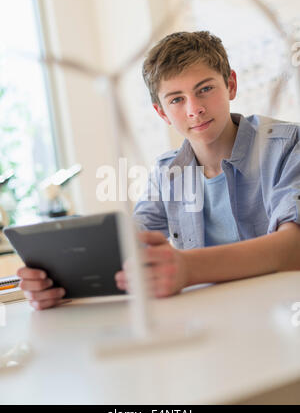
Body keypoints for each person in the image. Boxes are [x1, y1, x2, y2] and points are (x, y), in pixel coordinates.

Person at [17, 31, 300, 309]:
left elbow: (294, 247)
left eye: (205, 89)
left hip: (283, 313)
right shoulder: (168, 173)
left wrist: (188, 269)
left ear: (231, 84)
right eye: (176, 99)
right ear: (161, 112)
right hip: (212, 318)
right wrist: (63, 281)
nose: (195, 109)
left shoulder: (286, 145)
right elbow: (128, 245)